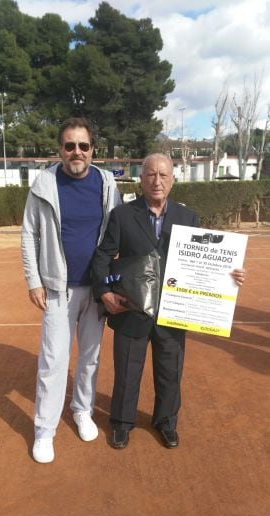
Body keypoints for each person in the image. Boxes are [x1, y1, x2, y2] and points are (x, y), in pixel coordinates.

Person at [91, 153, 246, 450]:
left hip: (175, 312)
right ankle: (122, 423)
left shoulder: (188, 218)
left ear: (173, 180)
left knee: (170, 372)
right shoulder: (122, 215)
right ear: (141, 179)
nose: (157, 181)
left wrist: (230, 274)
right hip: (131, 310)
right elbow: (102, 258)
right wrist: (105, 292)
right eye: (151, 174)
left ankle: (165, 421)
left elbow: (205, 263)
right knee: (126, 370)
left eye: (163, 175)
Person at [21, 117, 121, 463]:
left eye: (83, 145)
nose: (76, 152)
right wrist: (34, 280)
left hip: (96, 289)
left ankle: (82, 410)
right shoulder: (44, 183)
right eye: (69, 145)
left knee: (90, 358)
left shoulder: (108, 183)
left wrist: (113, 281)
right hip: (57, 290)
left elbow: (118, 235)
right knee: (53, 361)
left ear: (93, 149)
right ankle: (44, 430)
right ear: (60, 149)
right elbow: (29, 234)